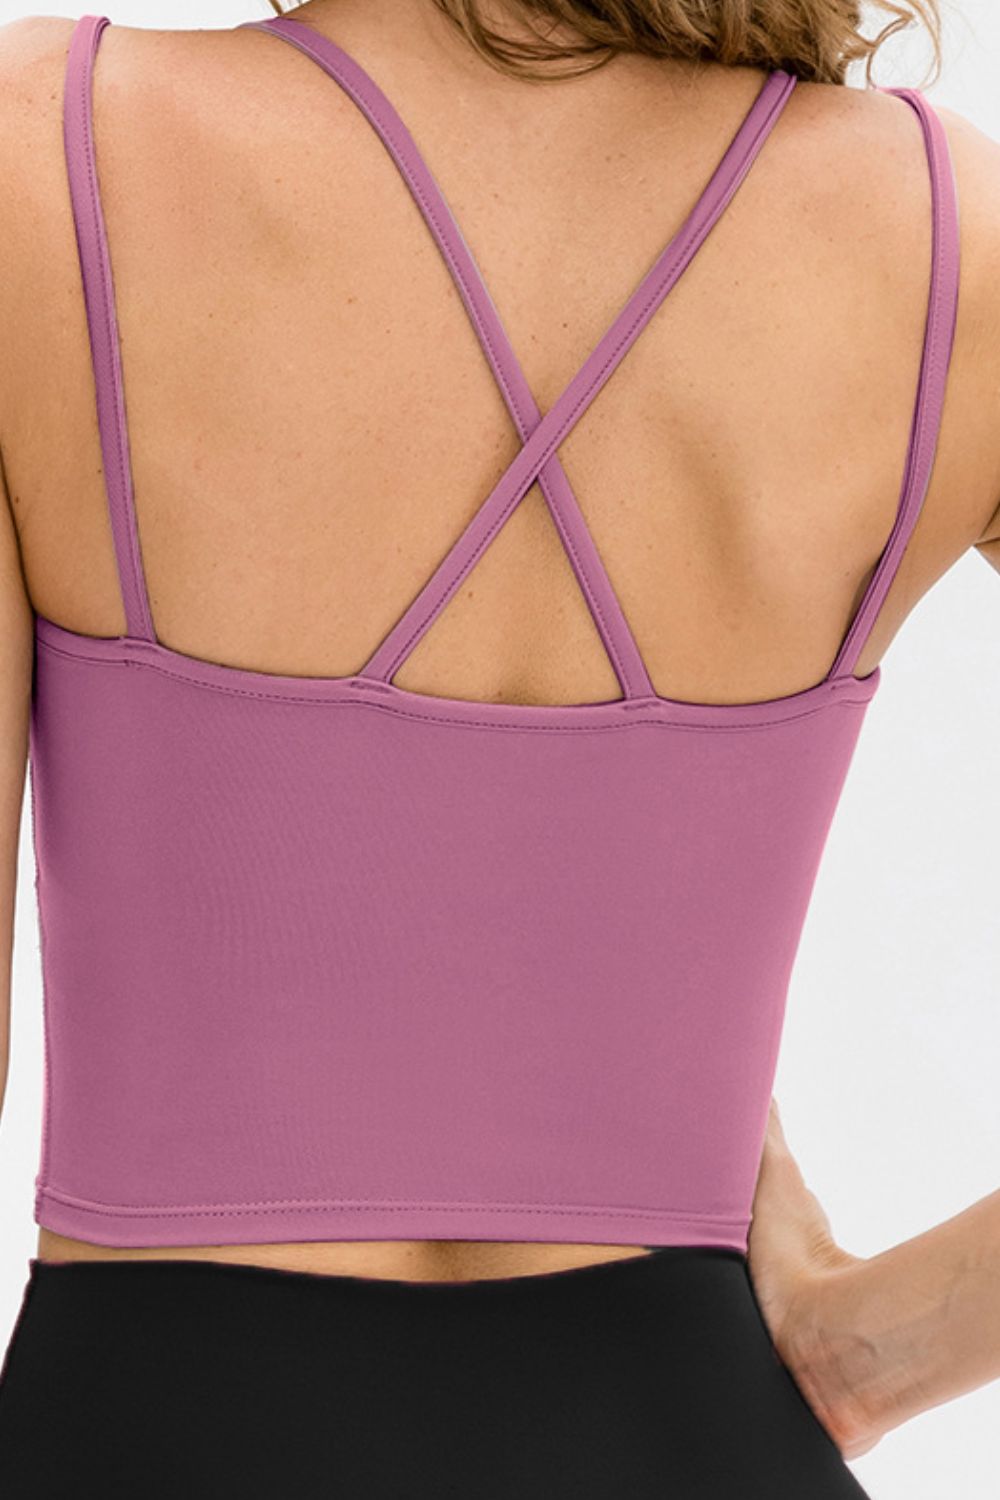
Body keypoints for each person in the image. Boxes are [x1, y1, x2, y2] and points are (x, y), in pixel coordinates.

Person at [0, 0, 997, 1494]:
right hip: (696, 1437)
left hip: (143, 1435)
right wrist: (881, 1352)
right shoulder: (951, 235)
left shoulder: (46, 150)